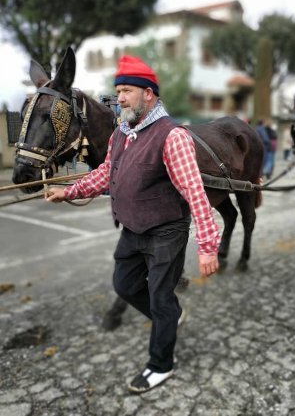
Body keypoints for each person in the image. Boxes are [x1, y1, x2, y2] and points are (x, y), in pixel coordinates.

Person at [45, 55, 220, 393]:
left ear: (149, 94)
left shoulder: (172, 136)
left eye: (126, 91)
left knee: (160, 298)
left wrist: (208, 246)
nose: (119, 98)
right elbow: (104, 174)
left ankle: (161, 365)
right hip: (132, 229)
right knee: (124, 285)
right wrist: (68, 192)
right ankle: (169, 317)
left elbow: (195, 193)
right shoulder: (122, 132)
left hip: (166, 231)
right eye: (118, 91)